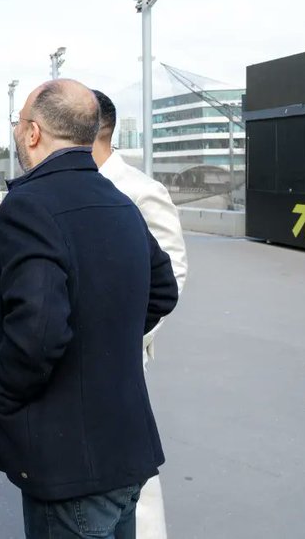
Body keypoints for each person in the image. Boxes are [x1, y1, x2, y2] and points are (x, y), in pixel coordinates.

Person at [0, 79, 178, 539]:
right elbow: (163, 291)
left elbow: (38, 333)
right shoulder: (120, 200)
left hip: (69, 465)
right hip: (127, 453)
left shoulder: (29, 205)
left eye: (18, 123)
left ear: (33, 132)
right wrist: (100, 337)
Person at [90, 91, 188, 539]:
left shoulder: (142, 190)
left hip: (123, 355)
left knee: (132, 468)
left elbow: (173, 273)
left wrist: (131, 333)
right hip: (72, 354)